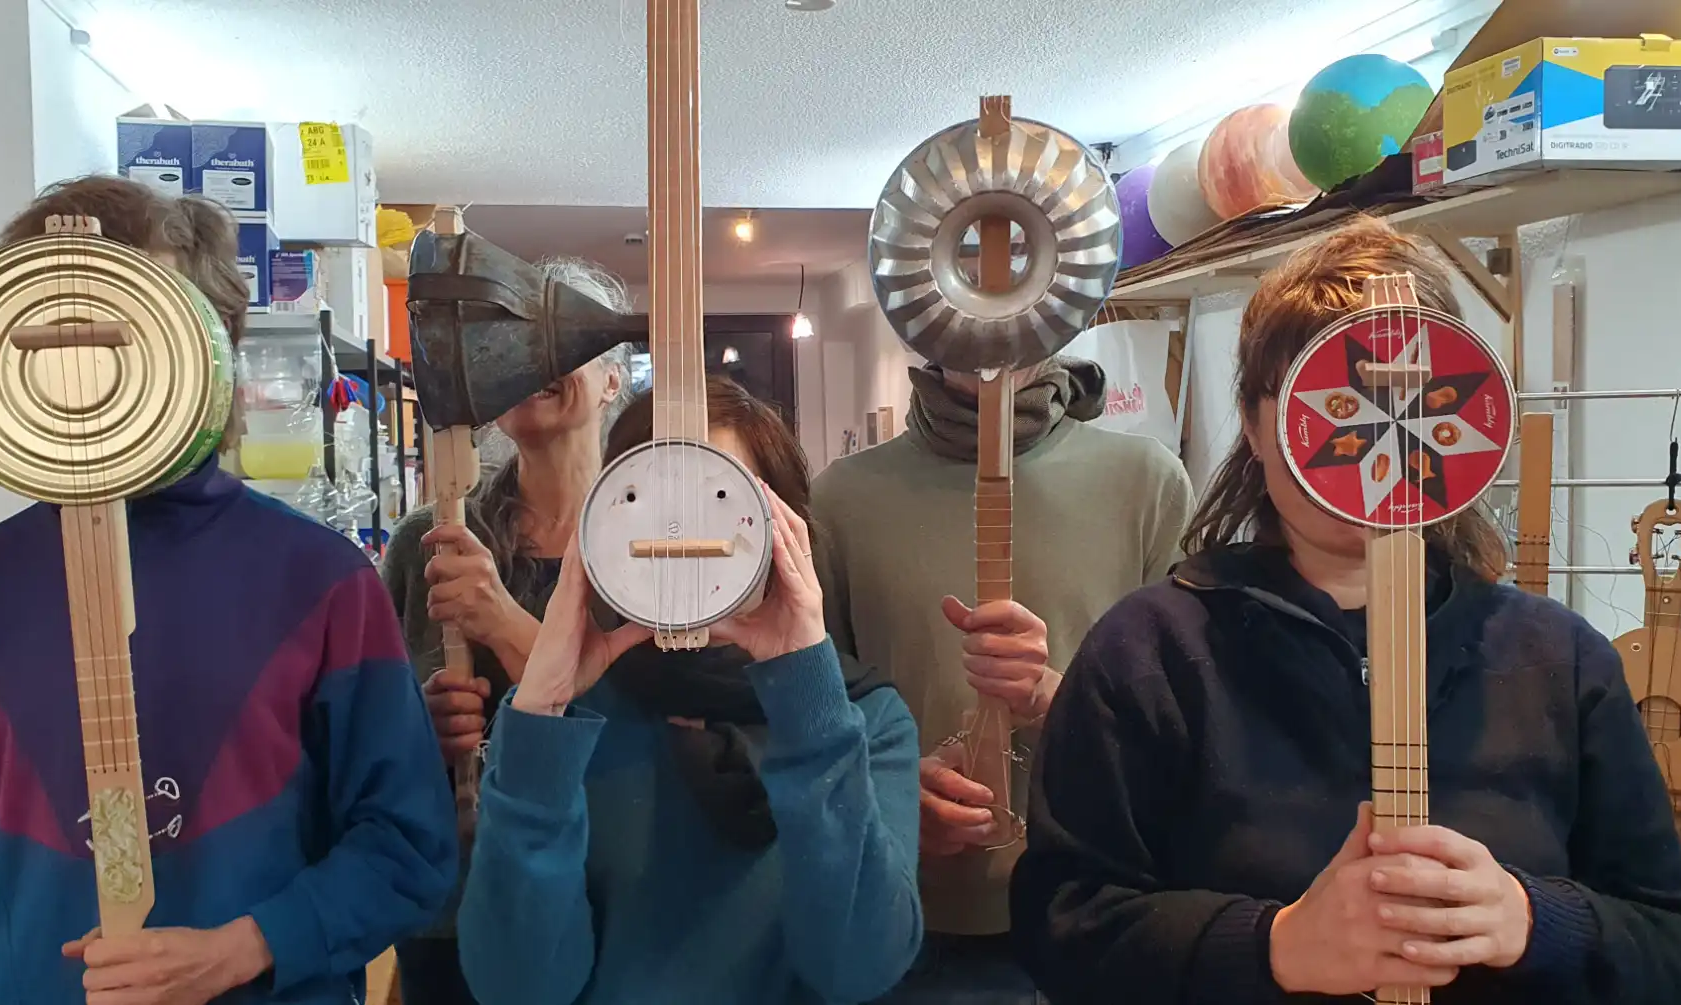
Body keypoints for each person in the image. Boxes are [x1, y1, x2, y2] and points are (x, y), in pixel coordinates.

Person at [1009, 217, 1681, 1005]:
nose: (1378, 431)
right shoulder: (1148, 656)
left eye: (1406, 396)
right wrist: (1274, 945)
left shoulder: (1562, 661)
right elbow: (1061, 925)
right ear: (1254, 422)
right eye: (1333, 397)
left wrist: (1531, 920)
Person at [0, 176, 458, 1005]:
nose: (102, 363)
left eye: (140, 323)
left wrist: (246, 946)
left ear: (216, 343)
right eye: (67, 329)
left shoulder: (320, 581)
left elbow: (409, 845)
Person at [445, 377, 926, 1004]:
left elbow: (860, 968)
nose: (682, 544)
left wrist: (807, 694)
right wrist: (540, 706)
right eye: (647, 505)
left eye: (720, 499)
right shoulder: (570, 724)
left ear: (785, 531)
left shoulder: (862, 719)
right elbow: (516, 988)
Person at [809, 352, 1193, 999]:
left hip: (1111, 911)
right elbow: (817, 721)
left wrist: (1061, 698)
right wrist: (891, 798)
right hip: (917, 928)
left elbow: (1191, 727)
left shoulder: (1146, 484)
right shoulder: (841, 500)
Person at [380, 259, 632, 1005]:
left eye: (562, 336)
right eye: (512, 342)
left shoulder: (653, 544)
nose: (533, 359)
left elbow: (657, 730)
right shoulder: (432, 542)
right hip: (461, 909)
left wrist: (506, 623)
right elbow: (370, 744)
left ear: (613, 381)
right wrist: (421, 732)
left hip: (623, 894)